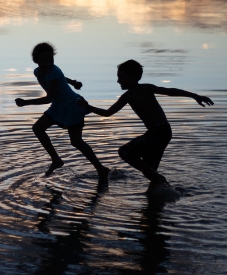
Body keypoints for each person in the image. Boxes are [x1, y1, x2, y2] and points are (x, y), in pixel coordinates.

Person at [78, 59, 213, 193]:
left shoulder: (146, 89)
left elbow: (169, 91)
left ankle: (160, 182)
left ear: (133, 77)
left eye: (121, 77)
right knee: (151, 173)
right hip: (158, 133)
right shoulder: (126, 96)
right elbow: (108, 113)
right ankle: (163, 194)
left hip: (160, 132)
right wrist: (87, 107)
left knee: (124, 152)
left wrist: (194, 96)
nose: (118, 81)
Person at [15, 42, 110, 182]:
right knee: (38, 128)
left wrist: (25, 102)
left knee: (76, 141)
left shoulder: (54, 71)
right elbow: (61, 78)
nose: (48, 63)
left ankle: (100, 169)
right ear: (36, 61)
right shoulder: (37, 72)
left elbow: (48, 98)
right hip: (59, 106)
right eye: (44, 61)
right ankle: (56, 159)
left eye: (51, 60)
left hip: (73, 106)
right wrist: (73, 82)